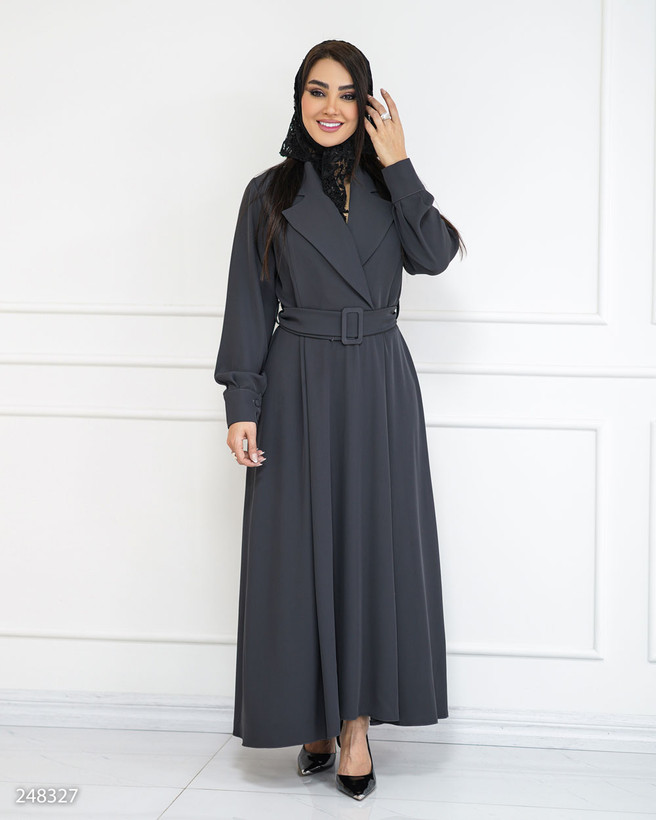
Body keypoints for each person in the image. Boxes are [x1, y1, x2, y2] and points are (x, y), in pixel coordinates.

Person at [214, 39, 465, 801]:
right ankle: (312, 720)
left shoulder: (391, 187)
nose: (330, 108)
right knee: (297, 556)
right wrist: (241, 404)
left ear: (368, 105)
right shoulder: (268, 193)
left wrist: (401, 163)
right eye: (316, 91)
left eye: (347, 94)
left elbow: (435, 256)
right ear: (298, 99)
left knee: (372, 551)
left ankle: (354, 728)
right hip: (297, 381)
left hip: (379, 383)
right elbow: (249, 301)